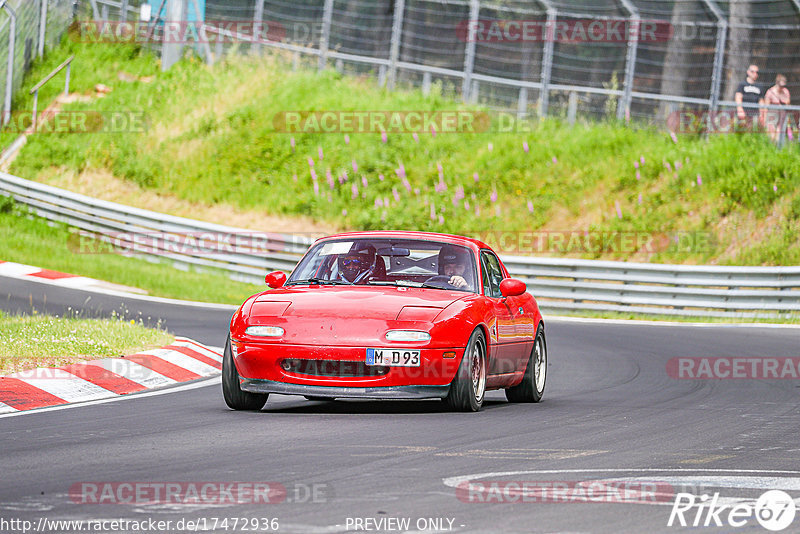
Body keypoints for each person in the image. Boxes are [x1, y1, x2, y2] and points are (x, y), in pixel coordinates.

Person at [735, 64, 765, 128]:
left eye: (756, 72)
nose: (755, 74)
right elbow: (738, 97)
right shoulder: (742, 84)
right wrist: (740, 110)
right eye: (752, 71)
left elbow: (761, 101)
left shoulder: (759, 86)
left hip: (755, 113)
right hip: (744, 111)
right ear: (748, 72)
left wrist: (761, 114)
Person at [764, 74, 791, 143]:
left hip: (782, 114)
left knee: (779, 133)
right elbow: (766, 106)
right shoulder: (770, 92)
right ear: (777, 83)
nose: (782, 88)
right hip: (772, 114)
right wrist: (764, 117)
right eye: (781, 86)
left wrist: (784, 102)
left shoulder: (785, 92)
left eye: (783, 86)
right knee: (771, 134)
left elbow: (788, 103)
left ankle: (778, 149)